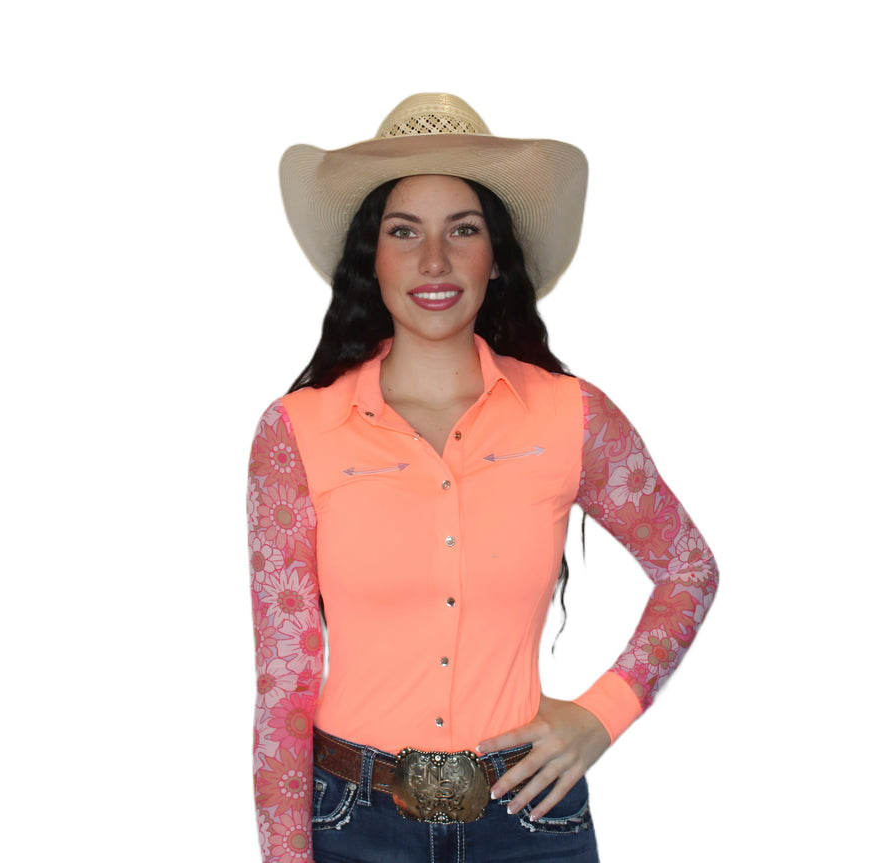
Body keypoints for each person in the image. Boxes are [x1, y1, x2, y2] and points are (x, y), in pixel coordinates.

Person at [248, 93, 718, 863]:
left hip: (529, 820)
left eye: (462, 230)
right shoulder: (295, 433)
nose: (434, 261)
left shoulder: (573, 417)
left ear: (495, 256)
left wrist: (602, 713)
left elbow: (689, 567)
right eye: (405, 232)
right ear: (372, 257)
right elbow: (284, 683)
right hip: (351, 828)